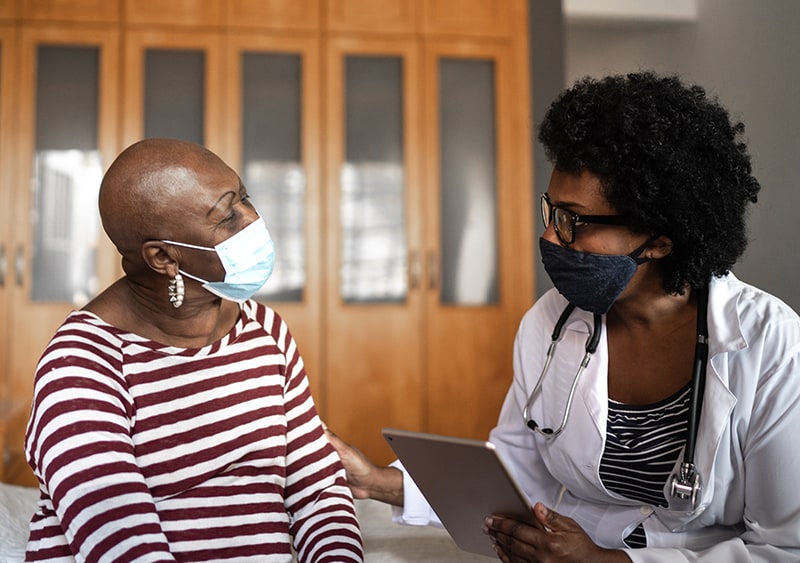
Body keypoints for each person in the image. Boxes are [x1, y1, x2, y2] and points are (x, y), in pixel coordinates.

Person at [326, 71, 800, 562]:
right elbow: (515, 472)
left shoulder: (771, 346)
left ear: (661, 239)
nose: (552, 238)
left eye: (573, 221)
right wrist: (380, 483)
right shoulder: (549, 323)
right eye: (550, 212)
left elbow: (786, 547)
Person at [24, 139, 364, 562]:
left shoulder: (266, 331)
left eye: (245, 197)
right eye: (227, 216)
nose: (254, 220)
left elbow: (318, 491)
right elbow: (120, 541)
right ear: (164, 257)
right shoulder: (81, 363)